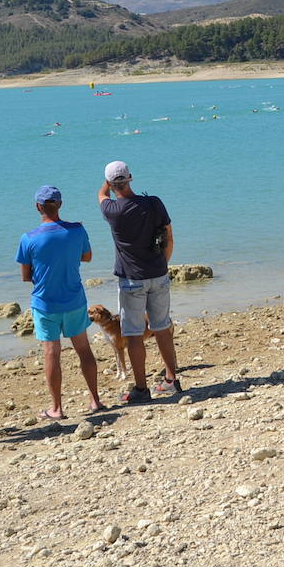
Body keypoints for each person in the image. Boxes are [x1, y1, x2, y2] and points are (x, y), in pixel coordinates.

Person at [16, 185, 104, 419]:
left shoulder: (28, 238)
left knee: (51, 354)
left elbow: (26, 276)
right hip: (74, 300)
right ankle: (95, 400)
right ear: (60, 205)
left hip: (45, 304)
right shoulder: (77, 231)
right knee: (84, 350)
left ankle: (57, 408)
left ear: (38, 207)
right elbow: (87, 256)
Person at [98, 161, 182, 401]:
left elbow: (101, 194)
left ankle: (141, 389)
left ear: (112, 183)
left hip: (131, 280)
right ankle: (171, 380)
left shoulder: (112, 211)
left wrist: (107, 183)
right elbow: (169, 238)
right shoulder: (154, 203)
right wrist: (162, 264)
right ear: (131, 178)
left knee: (134, 335)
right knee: (162, 328)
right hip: (157, 273)